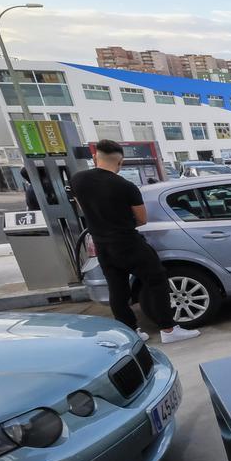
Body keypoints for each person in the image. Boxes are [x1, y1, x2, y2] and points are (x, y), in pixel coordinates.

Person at [70, 140, 200, 344]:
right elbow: (142, 219)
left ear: (96, 157)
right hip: (128, 242)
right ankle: (168, 329)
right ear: (120, 162)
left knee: (117, 288)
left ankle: (130, 332)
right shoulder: (125, 186)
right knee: (157, 280)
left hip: (102, 244)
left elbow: (81, 207)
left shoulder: (78, 180)